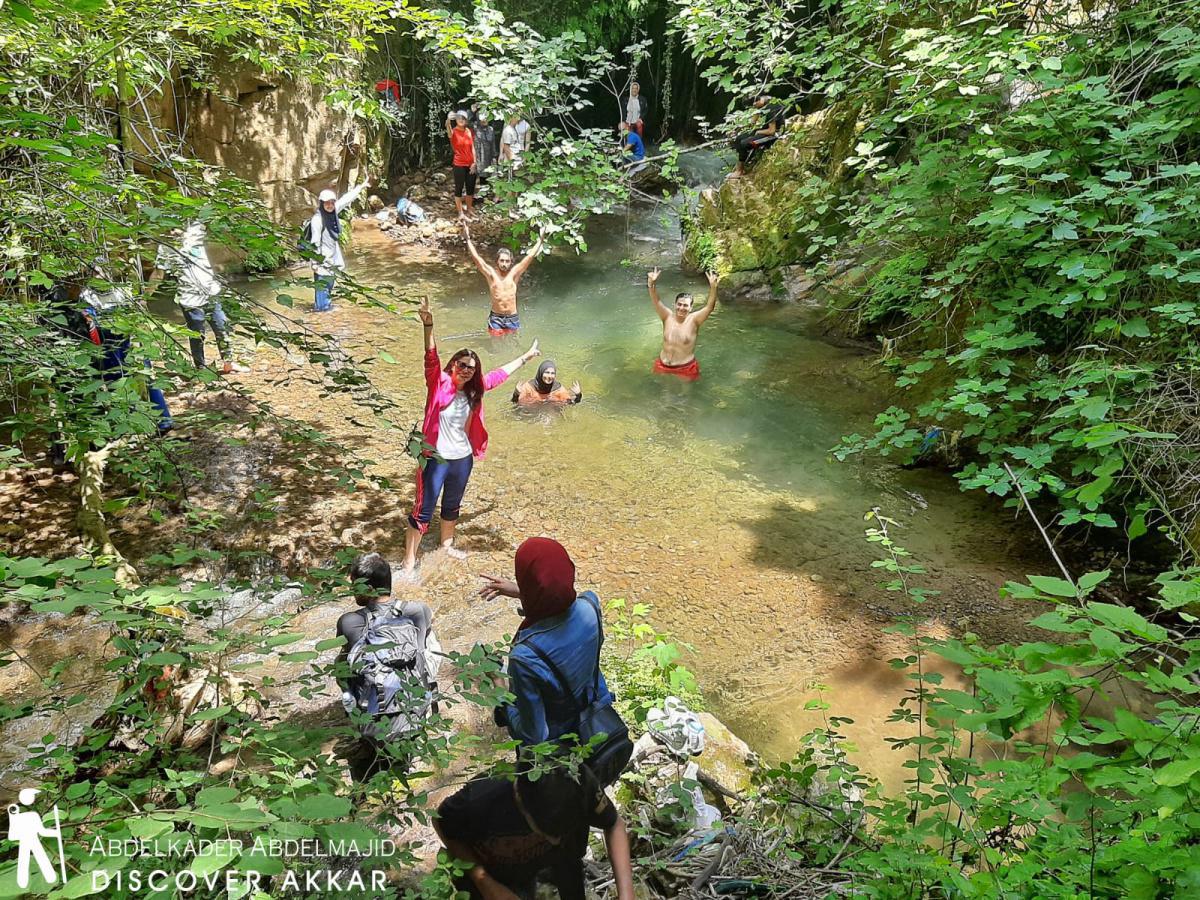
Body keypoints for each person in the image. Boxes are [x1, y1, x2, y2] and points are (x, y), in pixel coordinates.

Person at [402, 299, 539, 576]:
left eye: (472, 367)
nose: (467, 370)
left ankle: (446, 546)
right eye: (462, 365)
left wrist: (526, 357)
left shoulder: (476, 389)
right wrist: (428, 325)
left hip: (462, 458)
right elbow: (430, 356)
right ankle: (408, 563)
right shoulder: (438, 382)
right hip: (435, 458)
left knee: (452, 504)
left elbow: (499, 374)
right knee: (423, 509)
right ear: (452, 365)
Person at [478, 538, 615, 748]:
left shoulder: (525, 657)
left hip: (562, 747)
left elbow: (534, 737)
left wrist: (497, 681)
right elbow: (559, 600)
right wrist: (523, 592)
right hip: (599, 721)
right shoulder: (590, 605)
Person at [435, 764, 635, 900]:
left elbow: (614, 824)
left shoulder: (578, 781)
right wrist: (483, 880)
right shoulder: (483, 799)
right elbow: (441, 821)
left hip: (557, 861)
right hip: (491, 870)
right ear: (522, 805)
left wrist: (626, 895)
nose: (555, 840)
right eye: (546, 832)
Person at [336, 553, 434, 781]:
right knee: (426, 646)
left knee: (342, 662)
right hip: (415, 716)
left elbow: (342, 671)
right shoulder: (419, 611)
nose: (352, 590)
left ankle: (364, 736)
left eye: (354, 584)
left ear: (365, 587)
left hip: (373, 728)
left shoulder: (349, 621)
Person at [153, 222, 240, 373]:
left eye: (176, 226)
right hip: (189, 298)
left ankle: (229, 363)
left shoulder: (195, 230)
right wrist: (145, 294)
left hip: (210, 292)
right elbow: (158, 274)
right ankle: (200, 367)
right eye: (170, 228)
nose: (173, 231)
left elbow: (210, 217)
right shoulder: (165, 248)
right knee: (197, 335)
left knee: (222, 327)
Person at [462, 222, 543, 335]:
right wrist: (468, 239)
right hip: (496, 318)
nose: (504, 264)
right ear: (497, 262)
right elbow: (476, 258)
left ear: (511, 262)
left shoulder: (514, 274)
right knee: (496, 345)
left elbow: (529, 257)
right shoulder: (491, 274)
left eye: (507, 261)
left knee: (512, 344)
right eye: (502, 261)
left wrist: (540, 240)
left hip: (512, 317)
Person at [308, 178, 370, 311]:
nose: (330, 205)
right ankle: (322, 316)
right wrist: (314, 262)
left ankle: (323, 312)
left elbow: (346, 199)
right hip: (322, 262)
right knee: (322, 292)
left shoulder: (333, 213)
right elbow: (314, 243)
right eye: (327, 203)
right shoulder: (317, 220)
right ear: (322, 203)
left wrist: (361, 186)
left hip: (333, 260)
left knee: (328, 288)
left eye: (332, 202)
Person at [648, 267, 720, 381]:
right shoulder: (667, 316)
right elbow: (656, 301)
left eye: (685, 305)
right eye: (679, 304)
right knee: (663, 393)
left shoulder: (694, 320)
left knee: (685, 396)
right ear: (675, 304)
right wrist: (651, 284)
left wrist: (713, 287)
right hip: (663, 364)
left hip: (685, 367)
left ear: (691, 307)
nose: (682, 308)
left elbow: (709, 307)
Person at [732, 94, 787, 177]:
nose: (754, 109)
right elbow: (753, 121)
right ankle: (743, 163)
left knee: (744, 144)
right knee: (739, 139)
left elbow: (771, 131)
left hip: (775, 133)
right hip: (766, 128)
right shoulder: (764, 99)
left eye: (753, 107)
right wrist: (737, 130)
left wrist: (758, 132)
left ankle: (739, 171)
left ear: (755, 103)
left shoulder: (770, 108)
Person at [445, 110, 477, 220]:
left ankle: (469, 209)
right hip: (459, 164)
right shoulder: (454, 131)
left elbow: (472, 147)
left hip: (470, 164)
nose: (461, 120)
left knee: (470, 188)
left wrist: (474, 162)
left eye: (463, 118)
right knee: (459, 188)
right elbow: (448, 128)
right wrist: (449, 120)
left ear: (466, 120)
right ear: (456, 120)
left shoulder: (468, 131)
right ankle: (460, 212)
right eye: (459, 118)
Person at [511, 359, 581, 405]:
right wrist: (516, 394)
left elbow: (571, 404)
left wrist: (578, 395)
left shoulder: (558, 389)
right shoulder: (529, 387)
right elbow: (515, 404)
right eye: (547, 372)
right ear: (541, 372)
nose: (549, 376)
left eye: (552, 373)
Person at [473, 113, 497, 186]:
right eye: (482, 119)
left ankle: (486, 193)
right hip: (478, 157)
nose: (484, 120)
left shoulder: (491, 129)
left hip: (488, 156)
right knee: (479, 175)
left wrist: (494, 156)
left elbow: (493, 144)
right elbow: (468, 121)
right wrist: (473, 111)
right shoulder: (476, 128)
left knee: (489, 175)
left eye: (486, 118)